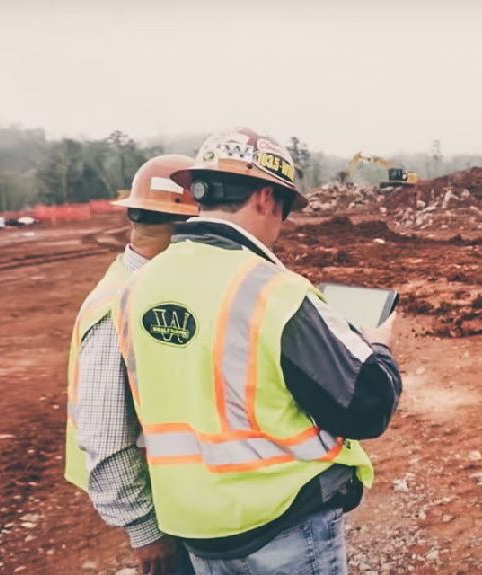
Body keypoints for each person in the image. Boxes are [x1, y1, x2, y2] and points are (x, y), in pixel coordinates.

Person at [114, 128, 402, 574]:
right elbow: (366, 406)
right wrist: (378, 347)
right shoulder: (270, 289)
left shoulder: (139, 285)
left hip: (193, 523)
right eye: (284, 210)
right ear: (267, 198)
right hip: (277, 520)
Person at [66, 154, 199, 575]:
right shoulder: (119, 304)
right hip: (163, 517)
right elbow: (105, 432)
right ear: (185, 228)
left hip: (180, 501)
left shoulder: (149, 287)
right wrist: (145, 530)